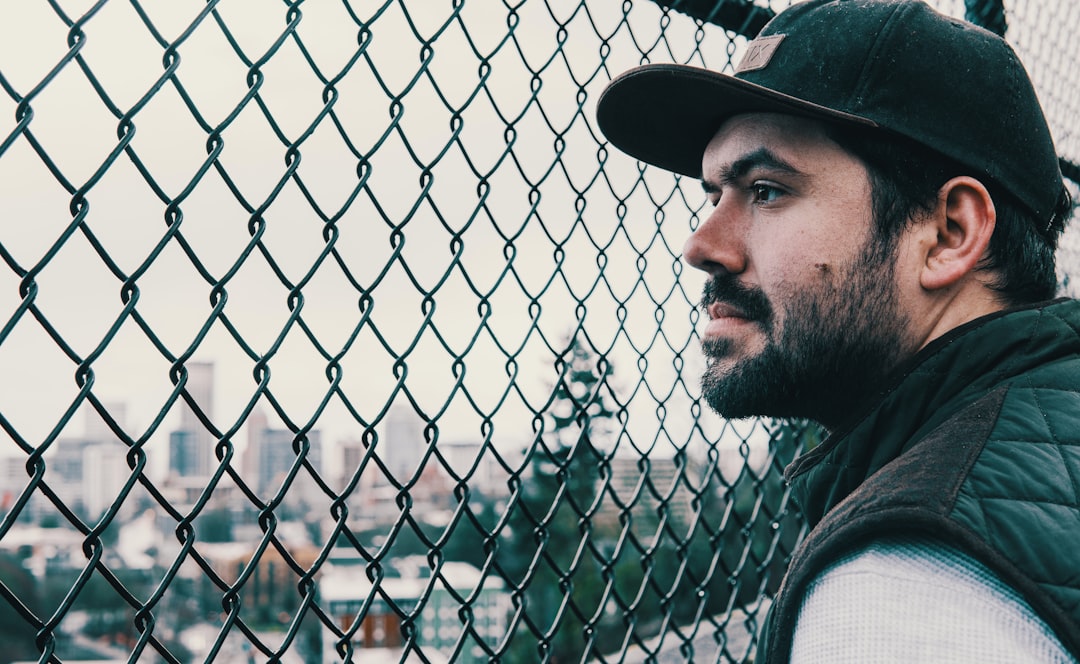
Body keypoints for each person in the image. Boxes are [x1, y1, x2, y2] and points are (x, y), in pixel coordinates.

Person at [596, 0, 1079, 662]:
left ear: (948, 235)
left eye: (766, 190)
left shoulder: (900, 589)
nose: (702, 244)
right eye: (714, 196)